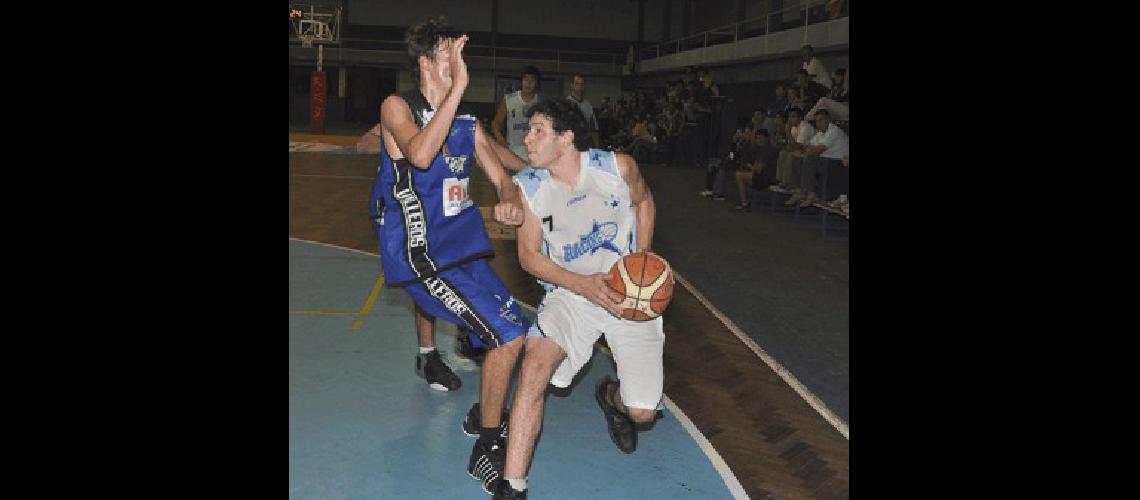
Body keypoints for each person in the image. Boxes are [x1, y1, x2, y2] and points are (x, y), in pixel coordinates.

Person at [364, 15, 530, 495]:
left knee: (517, 330)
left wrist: (510, 201)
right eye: (449, 56)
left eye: (461, 56)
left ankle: (485, 415)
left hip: (461, 251)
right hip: (420, 253)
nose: (459, 64)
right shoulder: (396, 107)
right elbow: (419, 155)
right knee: (507, 336)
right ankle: (488, 445)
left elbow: (502, 177)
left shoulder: (467, 121)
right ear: (425, 62)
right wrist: (458, 88)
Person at [493, 97, 661, 499]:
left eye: (538, 131)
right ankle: (512, 486)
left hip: (625, 294)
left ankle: (611, 397)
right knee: (534, 370)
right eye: (528, 130)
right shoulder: (531, 187)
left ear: (566, 139)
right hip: (571, 293)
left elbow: (646, 202)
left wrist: (639, 266)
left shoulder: (618, 168)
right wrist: (581, 285)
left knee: (642, 412)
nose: (527, 139)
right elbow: (529, 258)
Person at [492, 65, 542, 170]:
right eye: (526, 79)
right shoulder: (509, 99)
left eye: (532, 80)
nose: (528, 83)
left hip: (534, 152)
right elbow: (496, 123)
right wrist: (500, 138)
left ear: (537, 83)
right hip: (512, 151)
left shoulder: (541, 103)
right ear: (521, 81)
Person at [567, 73, 601, 148]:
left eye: (582, 84)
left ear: (584, 86)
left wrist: (597, 148)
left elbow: (594, 130)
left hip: (585, 146)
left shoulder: (588, 106)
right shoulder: (565, 103)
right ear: (572, 85)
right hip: (570, 145)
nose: (579, 87)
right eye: (577, 84)